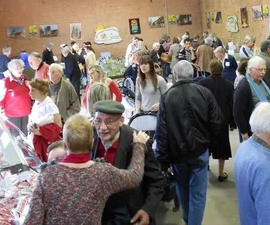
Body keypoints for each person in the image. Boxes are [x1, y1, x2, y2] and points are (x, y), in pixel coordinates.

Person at [24, 114, 148, 225]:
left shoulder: (47, 175)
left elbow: (33, 220)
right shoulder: (103, 173)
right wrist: (139, 145)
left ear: (65, 145)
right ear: (92, 143)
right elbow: (135, 177)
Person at [155, 60, 222, 225]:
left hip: (177, 155)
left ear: (175, 76)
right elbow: (217, 121)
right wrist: (209, 143)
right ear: (192, 75)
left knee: (183, 188)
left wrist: (163, 160)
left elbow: (161, 131)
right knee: (198, 194)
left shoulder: (167, 97)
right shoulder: (204, 93)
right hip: (200, 151)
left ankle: (187, 220)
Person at [91, 100, 165, 225]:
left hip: (129, 212)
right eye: (98, 121)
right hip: (99, 213)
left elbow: (156, 181)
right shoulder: (89, 137)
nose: (102, 127)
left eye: (109, 121)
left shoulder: (137, 141)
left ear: (121, 121)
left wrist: (147, 209)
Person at [198, 60, 233, 182]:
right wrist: (233, 123)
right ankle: (220, 173)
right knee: (222, 146)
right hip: (222, 121)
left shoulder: (202, 83)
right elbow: (231, 104)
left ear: (210, 69)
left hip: (206, 119)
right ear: (222, 70)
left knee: (206, 145)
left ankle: (205, 168)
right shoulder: (229, 85)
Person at [233, 56, 270, 142]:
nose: (263, 72)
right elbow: (237, 112)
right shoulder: (243, 86)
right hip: (253, 130)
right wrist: (244, 134)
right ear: (250, 69)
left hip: (267, 126)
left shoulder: (262, 81)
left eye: (264, 69)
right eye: (260, 70)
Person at [28, 78, 62, 162]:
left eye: (33, 90)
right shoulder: (37, 102)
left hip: (47, 145)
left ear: (42, 91)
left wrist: (40, 132)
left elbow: (58, 126)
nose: (30, 93)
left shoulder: (50, 105)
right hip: (38, 141)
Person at [0, 59, 31, 135]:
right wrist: (2, 118)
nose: (20, 70)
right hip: (12, 116)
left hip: (26, 113)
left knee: (26, 138)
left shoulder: (25, 78)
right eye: (17, 68)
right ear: (11, 70)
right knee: (16, 139)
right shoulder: (5, 82)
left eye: (21, 67)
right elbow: (0, 102)